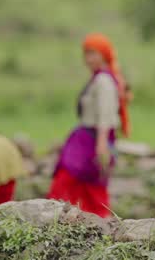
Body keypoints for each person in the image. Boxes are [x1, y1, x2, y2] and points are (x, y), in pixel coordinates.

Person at [47, 33, 130, 217]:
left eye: (93, 54)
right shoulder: (100, 78)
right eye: (86, 54)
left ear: (104, 55)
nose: (88, 59)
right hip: (86, 140)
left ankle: (58, 217)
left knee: (72, 182)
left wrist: (101, 146)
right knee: (80, 185)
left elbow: (105, 114)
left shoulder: (103, 81)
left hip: (92, 141)